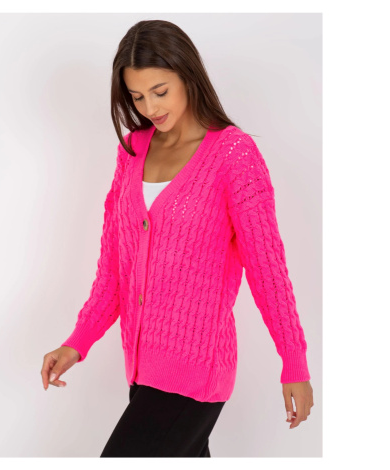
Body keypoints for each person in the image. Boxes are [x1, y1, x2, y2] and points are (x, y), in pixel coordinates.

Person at [40, 19, 314, 457]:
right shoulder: (132, 150)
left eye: (160, 91)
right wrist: (78, 342)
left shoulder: (233, 155)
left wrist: (294, 362)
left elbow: (268, 269)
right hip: (141, 371)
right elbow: (114, 269)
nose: (149, 106)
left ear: (188, 75)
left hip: (194, 373)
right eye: (137, 96)